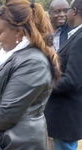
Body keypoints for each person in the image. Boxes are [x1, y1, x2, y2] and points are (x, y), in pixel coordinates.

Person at [0, 0, 61, 149]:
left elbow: (6, 113)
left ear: (18, 32)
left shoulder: (33, 63)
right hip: (5, 139)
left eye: (0, 32)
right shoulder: (17, 57)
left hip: (17, 142)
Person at [45, 0, 82, 149]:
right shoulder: (76, 35)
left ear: (74, 11)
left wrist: (43, 87)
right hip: (63, 114)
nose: (63, 14)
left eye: (66, 10)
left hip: (66, 115)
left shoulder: (80, 40)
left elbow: (72, 80)